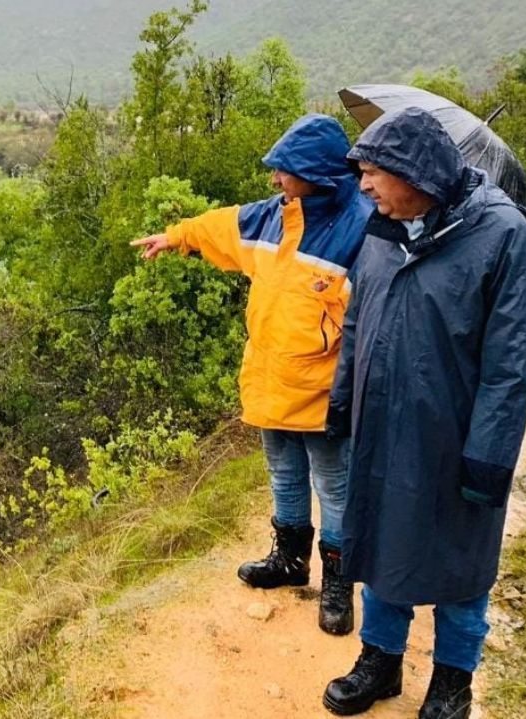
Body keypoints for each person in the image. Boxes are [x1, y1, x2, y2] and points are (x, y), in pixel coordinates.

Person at [320, 108, 526, 718]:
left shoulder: (503, 237)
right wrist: (342, 401)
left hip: (456, 440)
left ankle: (452, 680)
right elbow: (359, 321)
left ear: (412, 170)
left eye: (371, 173)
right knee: (383, 547)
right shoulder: (382, 229)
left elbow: (512, 363)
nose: (362, 186)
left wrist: (489, 459)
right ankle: (381, 661)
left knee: (461, 563)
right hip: (381, 430)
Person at [131, 114, 372, 636]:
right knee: (283, 475)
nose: (275, 180)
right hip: (269, 380)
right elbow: (221, 225)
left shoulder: (361, 227)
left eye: (285, 170)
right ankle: (289, 560)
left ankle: (338, 582)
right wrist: (176, 237)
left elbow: (376, 318)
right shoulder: (272, 218)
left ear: (320, 172)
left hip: (325, 390)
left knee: (334, 486)